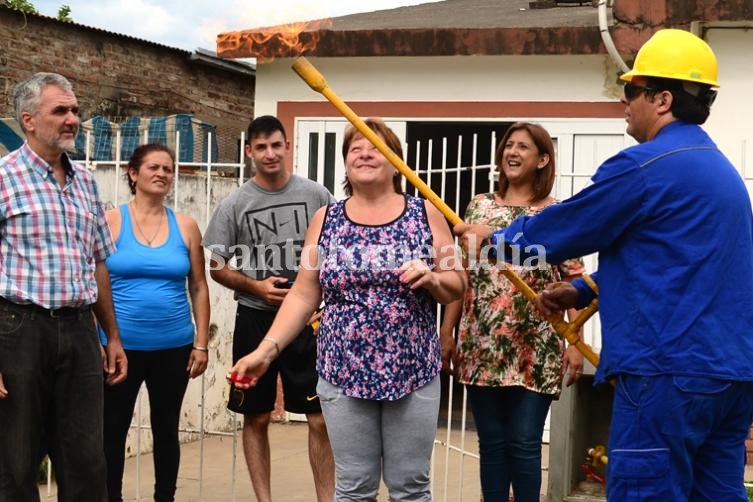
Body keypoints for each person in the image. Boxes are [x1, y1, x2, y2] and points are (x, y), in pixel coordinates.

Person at [456, 29, 753, 501]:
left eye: (632, 90)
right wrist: (583, 290)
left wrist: (493, 240)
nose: (624, 99)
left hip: (665, 376)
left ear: (663, 99)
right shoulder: (721, 174)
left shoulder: (645, 165)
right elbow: (681, 264)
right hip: (729, 378)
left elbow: (566, 227)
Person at [230, 118, 467, 501]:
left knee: (410, 486)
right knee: (354, 487)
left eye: (375, 146)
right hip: (343, 371)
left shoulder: (425, 213)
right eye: (355, 148)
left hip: (412, 372)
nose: (364, 153)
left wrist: (434, 279)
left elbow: (457, 283)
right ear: (345, 164)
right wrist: (266, 350)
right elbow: (304, 294)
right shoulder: (326, 219)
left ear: (396, 162)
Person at [440, 122, 585, 502]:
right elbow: (462, 274)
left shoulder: (556, 213)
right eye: (508, 146)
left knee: (523, 444)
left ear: (543, 160)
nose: (512, 152)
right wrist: (447, 333)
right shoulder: (479, 206)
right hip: (482, 341)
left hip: (536, 346)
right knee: (491, 445)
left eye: (523, 146)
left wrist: (574, 342)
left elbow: (573, 279)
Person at [0, 72, 127, 501]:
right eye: (61, 110)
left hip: (78, 331)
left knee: (87, 461)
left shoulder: (87, 183)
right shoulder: (4, 178)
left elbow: (98, 264)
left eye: (75, 110)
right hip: (18, 331)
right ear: (29, 120)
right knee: (14, 463)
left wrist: (112, 336)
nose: (73, 118)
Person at [202, 115, 335, 502]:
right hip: (254, 317)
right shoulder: (235, 203)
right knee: (256, 416)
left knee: (320, 418)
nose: (270, 153)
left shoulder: (317, 195)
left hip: (308, 321)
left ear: (287, 146)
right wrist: (255, 285)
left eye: (276, 145)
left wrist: (321, 298)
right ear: (249, 151)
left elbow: (337, 252)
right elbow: (217, 267)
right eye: (261, 147)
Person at [101, 143, 210, 502]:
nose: (162, 173)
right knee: (112, 431)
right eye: (154, 167)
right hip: (119, 349)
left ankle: (166, 497)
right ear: (133, 173)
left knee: (166, 430)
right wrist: (101, 339)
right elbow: (94, 282)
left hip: (174, 346)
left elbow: (198, 285)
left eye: (168, 168)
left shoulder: (186, 225)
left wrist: (201, 344)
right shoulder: (111, 221)